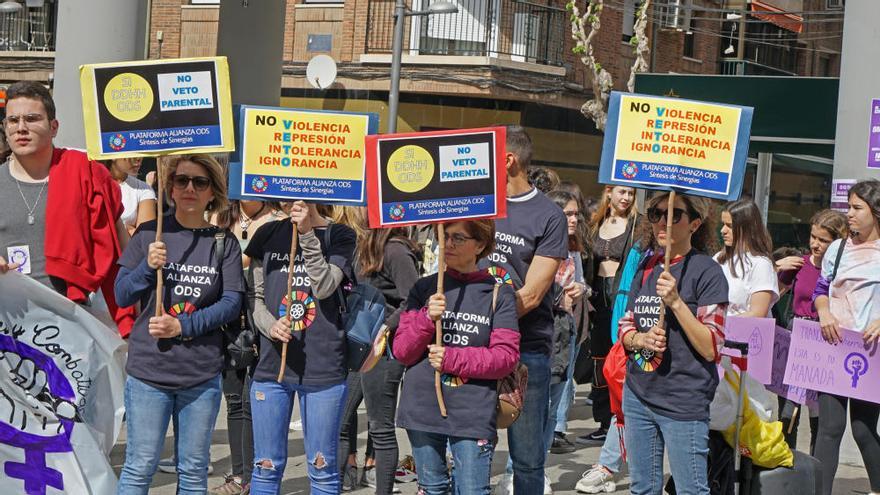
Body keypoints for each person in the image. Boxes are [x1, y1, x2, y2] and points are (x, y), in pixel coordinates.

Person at [114, 154, 245, 493]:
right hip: (149, 373)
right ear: (169, 187)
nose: (189, 188)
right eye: (181, 180)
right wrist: (146, 265)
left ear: (212, 192)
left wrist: (182, 326)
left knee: (192, 471)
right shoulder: (148, 234)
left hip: (200, 375)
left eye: (199, 182)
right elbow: (122, 294)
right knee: (139, 466)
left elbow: (232, 303)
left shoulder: (223, 242)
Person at [394, 219, 520, 495]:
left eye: (458, 238)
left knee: (473, 490)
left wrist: (452, 359)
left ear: (481, 245)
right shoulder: (425, 288)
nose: (448, 244)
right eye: (445, 236)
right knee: (432, 487)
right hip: (422, 408)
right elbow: (402, 351)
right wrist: (427, 318)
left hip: (472, 412)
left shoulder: (499, 293)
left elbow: (505, 357)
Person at [0, 80, 135, 335]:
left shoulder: (87, 174)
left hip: (70, 323)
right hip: (8, 325)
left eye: (31, 118)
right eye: (12, 120)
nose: (21, 128)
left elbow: (121, 250)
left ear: (53, 127)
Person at [620, 192, 728, 495]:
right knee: (642, 489)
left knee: (690, 490)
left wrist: (676, 302)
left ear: (695, 223)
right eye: (655, 214)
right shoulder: (647, 266)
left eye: (674, 214)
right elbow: (626, 324)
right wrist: (641, 338)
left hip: (683, 400)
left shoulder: (707, 271)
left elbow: (711, 346)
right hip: (639, 393)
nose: (662, 222)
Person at [246, 200, 356, 494]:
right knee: (265, 468)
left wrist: (307, 233)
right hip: (272, 368)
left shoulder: (341, 235)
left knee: (322, 470)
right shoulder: (267, 233)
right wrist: (269, 325)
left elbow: (323, 287)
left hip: (323, 369)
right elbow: (255, 297)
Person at [483, 126, 568, 495]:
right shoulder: (478, 203)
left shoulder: (549, 216)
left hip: (526, 350)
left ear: (507, 160)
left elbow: (533, 294)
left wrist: (481, 319)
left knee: (528, 458)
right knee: (474, 449)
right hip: (474, 349)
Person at [203, 199, 285, 495]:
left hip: (261, 315)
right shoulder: (218, 215)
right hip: (227, 318)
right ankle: (239, 475)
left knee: (255, 399)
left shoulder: (279, 219)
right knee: (234, 398)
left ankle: (255, 474)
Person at [338, 208, 420, 494]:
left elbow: (414, 298)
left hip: (384, 350)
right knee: (340, 420)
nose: (356, 210)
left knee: (380, 428)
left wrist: (386, 328)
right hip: (358, 346)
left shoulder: (396, 251)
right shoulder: (362, 246)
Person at [812, 179, 880, 495]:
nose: (849, 214)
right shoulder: (838, 249)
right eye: (848, 206)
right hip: (835, 348)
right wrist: (824, 312)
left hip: (870, 352)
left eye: (857, 208)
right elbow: (821, 289)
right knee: (829, 428)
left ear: (875, 211)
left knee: (864, 430)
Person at [775, 209, 847, 453]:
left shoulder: (841, 271)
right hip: (795, 335)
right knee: (787, 409)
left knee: (819, 415)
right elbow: (770, 293)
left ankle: (816, 472)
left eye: (823, 240)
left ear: (837, 242)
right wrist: (776, 267)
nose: (815, 244)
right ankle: (786, 468)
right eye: (813, 237)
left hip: (824, 341)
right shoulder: (800, 264)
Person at [581, 185, 638, 445]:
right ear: (608, 193)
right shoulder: (595, 224)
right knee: (599, 360)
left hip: (621, 294)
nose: (626, 198)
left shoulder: (636, 226)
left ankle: (619, 420)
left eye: (631, 194)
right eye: (622, 192)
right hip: (596, 296)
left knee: (617, 358)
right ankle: (604, 421)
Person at [544, 190, 587, 455]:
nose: (574, 219)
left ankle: (540, 464)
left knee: (554, 404)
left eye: (576, 214)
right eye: (568, 214)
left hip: (566, 329)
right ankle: (517, 470)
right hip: (543, 328)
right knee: (536, 404)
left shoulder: (573, 248)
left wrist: (582, 289)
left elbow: (582, 282)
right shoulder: (540, 245)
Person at [714, 198, 779, 318]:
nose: (723, 231)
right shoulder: (718, 258)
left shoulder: (761, 264)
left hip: (741, 335)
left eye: (730, 226)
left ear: (747, 228)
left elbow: (757, 313)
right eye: (723, 224)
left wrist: (722, 325)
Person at [102, 157, 157, 236]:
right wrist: (127, 230)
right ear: (113, 155)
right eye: (131, 152)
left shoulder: (144, 189)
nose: (138, 158)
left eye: (140, 151)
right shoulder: (93, 184)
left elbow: (144, 239)